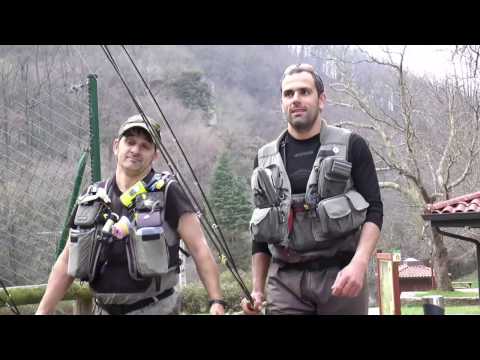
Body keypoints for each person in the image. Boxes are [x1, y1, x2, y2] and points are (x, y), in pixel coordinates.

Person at [36, 114, 226, 315]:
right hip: (102, 309)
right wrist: (43, 311)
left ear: (155, 155)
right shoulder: (92, 196)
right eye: (131, 142)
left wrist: (216, 301)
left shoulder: (168, 192)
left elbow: (199, 249)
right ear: (116, 146)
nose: (136, 150)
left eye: (145, 146)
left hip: (156, 309)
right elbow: (66, 260)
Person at [241, 64, 383, 315]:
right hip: (284, 281)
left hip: (341, 277)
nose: (296, 99)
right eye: (288, 94)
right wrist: (257, 289)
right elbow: (260, 231)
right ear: (282, 102)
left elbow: (374, 210)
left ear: (321, 99)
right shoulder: (264, 159)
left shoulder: (353, 145)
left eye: (304, 92)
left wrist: (359, 265)